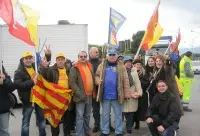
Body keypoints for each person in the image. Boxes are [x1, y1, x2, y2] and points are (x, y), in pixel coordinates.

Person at [95, 50, 130, 136]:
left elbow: (126, 81)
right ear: (107, 56)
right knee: (105, 115)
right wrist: (97, 80)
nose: (112, 56)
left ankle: (118, 131)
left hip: (117, 95)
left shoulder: (121, 66)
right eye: (110, 54)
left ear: (116, 56)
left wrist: (126, 94)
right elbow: (96, 75)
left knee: (118, 115)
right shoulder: (102, 65)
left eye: (114, 55)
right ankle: (105, 131)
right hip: (105, 95)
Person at [14, 51, 48, 136]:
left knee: (41, 120)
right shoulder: (18, 71)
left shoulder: (35, 67)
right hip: (28, 100)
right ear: (23, 60)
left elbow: (43, 71)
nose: (28, 60)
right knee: (26, 122)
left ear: (32, 59)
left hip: (38, 98)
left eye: (30, 58)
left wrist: (47, 57)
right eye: (26, 58)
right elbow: (18, 85)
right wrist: (32, 82)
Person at [43, 53, 74, 136]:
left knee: (67, 120)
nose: (60, 61)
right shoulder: (51, 70)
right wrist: (45, 67)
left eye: (62, 59)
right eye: (58, 60)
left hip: (66, 100)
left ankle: (67, 134)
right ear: (56, 61)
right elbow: (45, 79)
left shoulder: (68, 69)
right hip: (55, 100)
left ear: (64, 61)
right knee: (55, 120)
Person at [89, 47, 115, 133]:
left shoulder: (102, 62)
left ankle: (108, 125)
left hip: (103, 89)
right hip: (93, 89)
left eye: (98, 52)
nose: (97, 53)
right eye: (96, 52)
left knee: (106, 109)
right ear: (90, 53)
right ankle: (97, 125)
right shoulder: (87, 63)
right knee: (95, 109)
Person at [69, 51, 95, 136]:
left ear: (87, 57)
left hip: (89, 95)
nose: (83, 58)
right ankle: (80, 134)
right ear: (78, 58)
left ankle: (86, 131)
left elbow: (93, 78)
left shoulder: (89, 66)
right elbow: (72, 83)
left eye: (84, 56)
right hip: (80, 96)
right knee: (80, 116)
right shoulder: (74, 68)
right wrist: (80, 94)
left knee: (87, 115)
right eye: (81, 56)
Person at [122, 56, 142, 135]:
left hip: (133, 95)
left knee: (130, 114)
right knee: (122, 113)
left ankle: (129, 129)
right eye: (127, 62)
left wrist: (139, 93)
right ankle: (121, 128)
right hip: (123, 95)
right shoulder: (120, 71)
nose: (129, 63)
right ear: (124, 63)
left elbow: (137, 83)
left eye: (130, 62)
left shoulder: (134, 72)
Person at [0, 66, 16, 136]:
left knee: (4, 131)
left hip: (3, 109)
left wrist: (5, 79)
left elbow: (12, 88)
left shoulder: (2, 73)